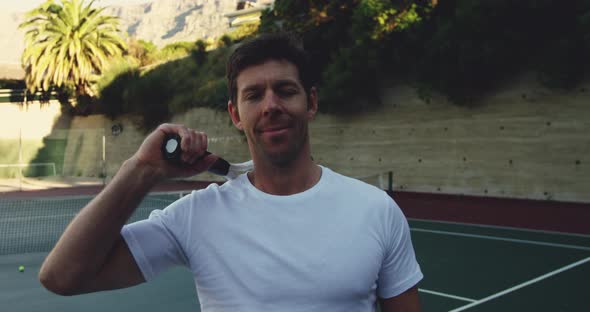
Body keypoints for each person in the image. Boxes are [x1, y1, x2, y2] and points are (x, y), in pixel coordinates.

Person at [39, 33, 423, 311]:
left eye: (285, 90)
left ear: (312, 102)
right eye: (254, 95)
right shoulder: (195, 216)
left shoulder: (376, 209)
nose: (271, 105)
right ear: (235, 114)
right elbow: (62, 277)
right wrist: (141, 170)